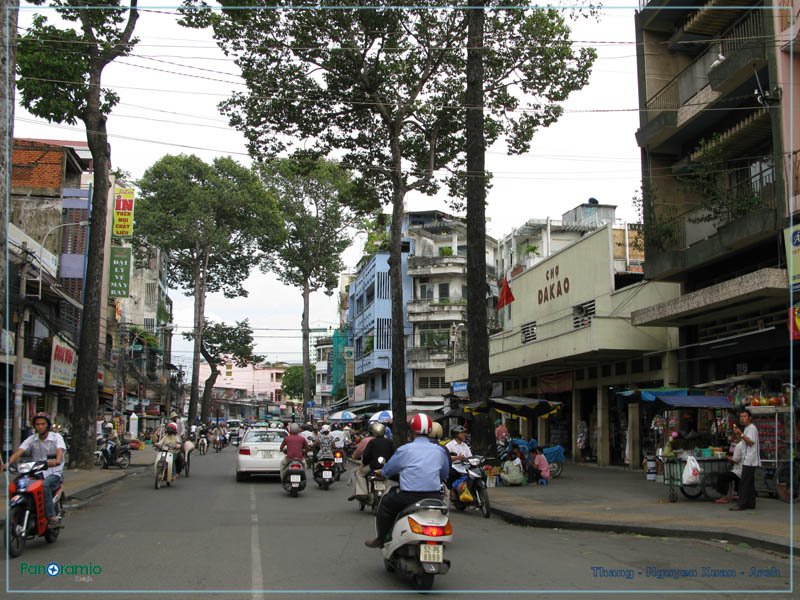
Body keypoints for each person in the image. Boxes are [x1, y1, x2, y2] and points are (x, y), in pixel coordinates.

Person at [364, 414, 449, 548]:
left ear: (412, 431)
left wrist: (382, 473)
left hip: (409, 496)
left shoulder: (405, 450)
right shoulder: (440, 451)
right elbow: (444, 475)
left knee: (385, 503)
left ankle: (381, 538)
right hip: (434, 496)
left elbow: (388, 470)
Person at [1, 413, 66, 529]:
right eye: (37, 424)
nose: (40, 426)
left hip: (53, 473)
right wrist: (7, 464)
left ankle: (51, 517)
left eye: (43, 424)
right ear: (34, 426)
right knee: (18, 484)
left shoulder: (56, 437)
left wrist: (56, 460)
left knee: (44, 485)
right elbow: (18, 453)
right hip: (35, 472)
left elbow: (60, 451)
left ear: (48, 425)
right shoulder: (31, 439)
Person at [349, 421, 394, 501]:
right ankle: (387, 493)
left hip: (373, 466)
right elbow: (393, 455)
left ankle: (363, 493)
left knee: (359, 473)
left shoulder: (372, 442)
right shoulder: (389, 442)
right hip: (386, 467)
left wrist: (364, 464)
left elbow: (366, 455)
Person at [730, 409, 759, 511]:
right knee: (749, 483)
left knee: (744, 483)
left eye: (744, 416)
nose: (742, 419)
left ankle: (741, 504)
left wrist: (740, 434)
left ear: (749, 418)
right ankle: (750, 503)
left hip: (749, 460)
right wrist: (739, 434)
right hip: (747, 459)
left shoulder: (751, 428)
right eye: (741, 417)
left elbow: (751, 442)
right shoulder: (747, 428)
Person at [714, 432, 745, 504]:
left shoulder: (739, 446)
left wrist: (728, 458)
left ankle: (724, 497)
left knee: (723, 476)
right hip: (744, 468)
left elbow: (735, 460)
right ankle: (738, 494)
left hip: (739, 470)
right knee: (733, 475)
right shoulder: (744, 444)